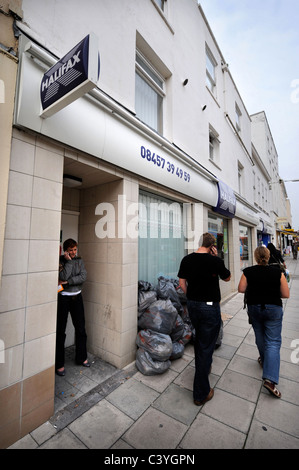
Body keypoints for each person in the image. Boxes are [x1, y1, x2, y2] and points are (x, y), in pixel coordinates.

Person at [178, 233, 231, 406]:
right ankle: (201, 393)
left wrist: (191, 296)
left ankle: (205, 367)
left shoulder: (187, 259)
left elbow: (182, 283)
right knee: (205, 346)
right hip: (209, 307)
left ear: (201, 243)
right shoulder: (215, 261)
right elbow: (228, 277)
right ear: (212, 246)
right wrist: (217, 258)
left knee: (201, 339)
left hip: (193, 305)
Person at [238, 246, 289, 398]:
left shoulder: (248, 271)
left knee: (260, 336)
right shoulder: (278, 272)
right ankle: (270, 379)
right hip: (273, 309)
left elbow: (241, 289)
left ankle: (265, 360)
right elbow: (286, 294)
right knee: (273, 342)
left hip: (255, 308)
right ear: (268, 256)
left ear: (255, 257)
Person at [56, 239, 89, 376]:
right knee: (60, 331)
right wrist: (68, 261)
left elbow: (83, 276)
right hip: (63, 298)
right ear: (66, 250)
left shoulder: (79, 260)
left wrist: (69, 281)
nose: (73, 252)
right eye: (71, 250)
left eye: (75, 249)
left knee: (81, 328)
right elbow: (62, 275)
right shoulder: (61, 261)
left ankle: (81, 357)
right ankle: (59, 364)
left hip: (77, 297)